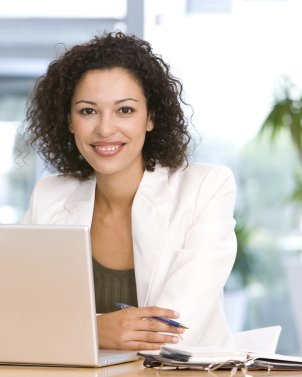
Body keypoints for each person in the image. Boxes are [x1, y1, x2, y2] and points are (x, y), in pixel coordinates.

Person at [21, 31, 237, 350]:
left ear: (150, 117)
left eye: (125, 110)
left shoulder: (206, 188)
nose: (105, 128)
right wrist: (95, 329)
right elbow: (21, 315)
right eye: (87, 111)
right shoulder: (49, 194)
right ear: (68, 120)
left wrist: (79, 330)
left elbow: (170, 331)